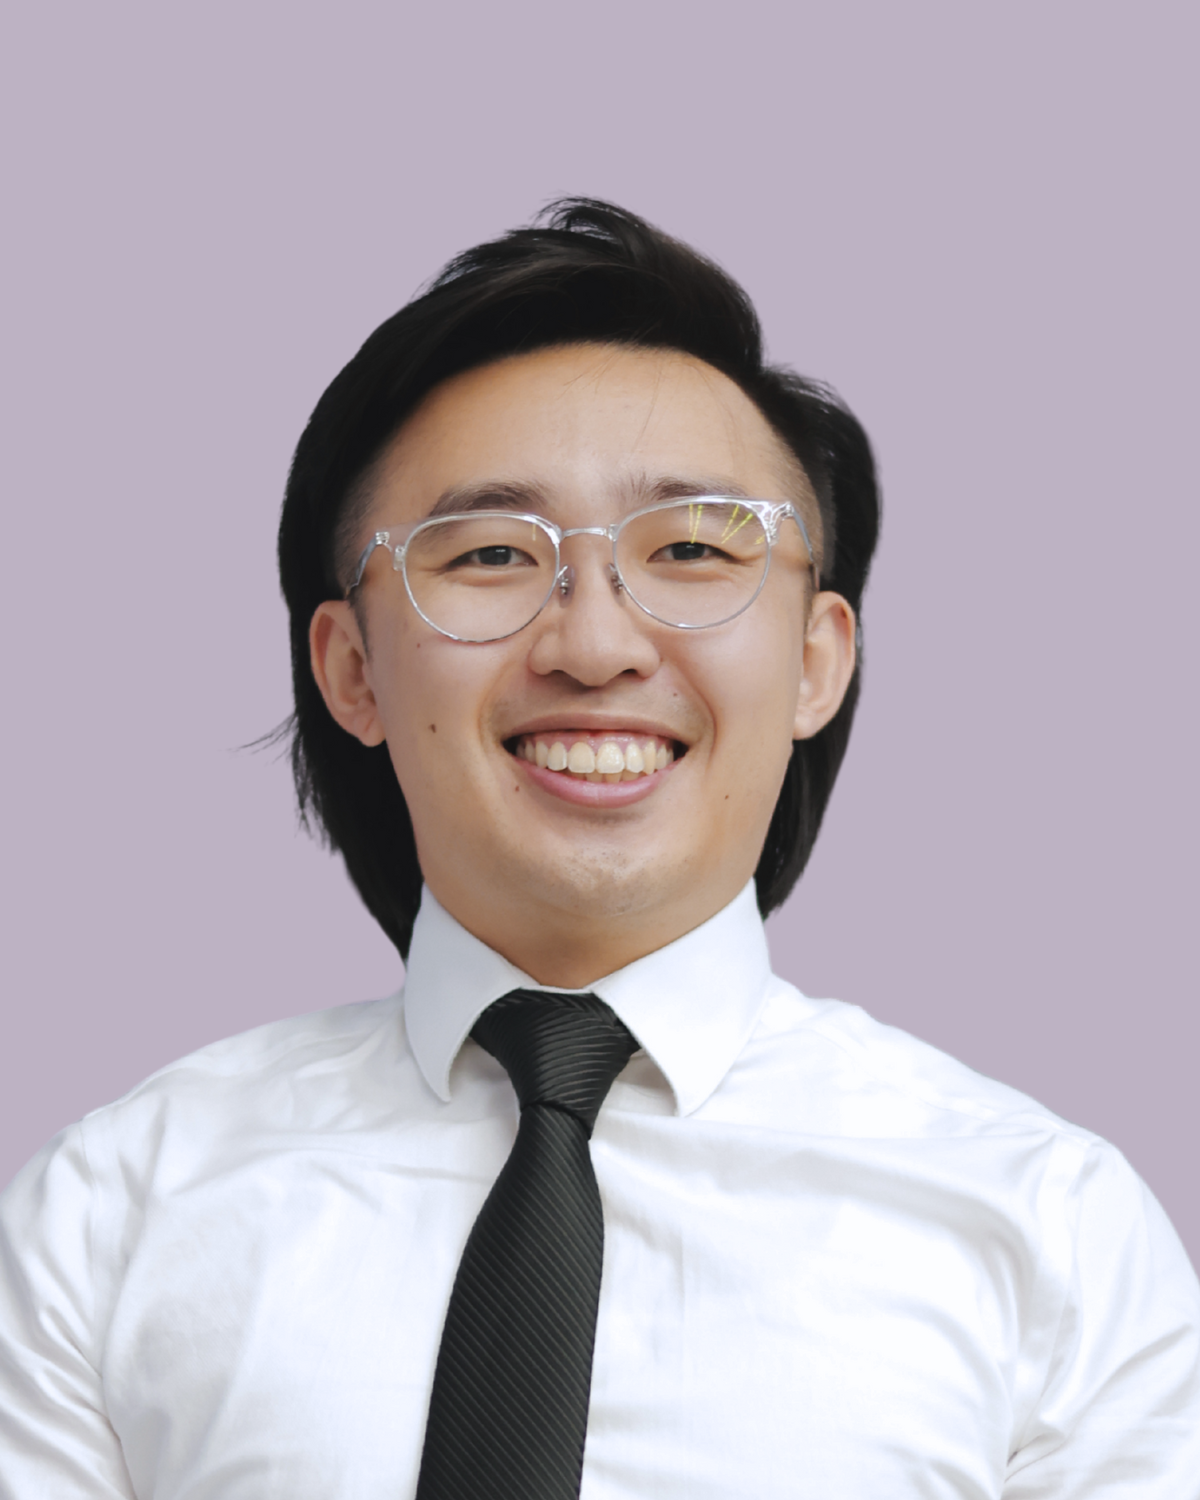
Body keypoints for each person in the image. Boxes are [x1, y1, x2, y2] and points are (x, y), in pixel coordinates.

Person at [1, 200, 1196, 1499]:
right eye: (493, 554)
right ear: (350, 670)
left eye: (689, 549)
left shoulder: (1049, 1235)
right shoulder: (113, 1217)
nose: (594, 643)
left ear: (815, 663)